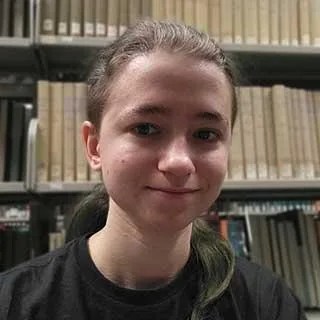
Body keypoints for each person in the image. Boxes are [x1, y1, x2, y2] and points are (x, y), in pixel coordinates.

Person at [0, 20, 306, 320]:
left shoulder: (269, 305)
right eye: (146, 129)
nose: (178, 162)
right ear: (94, 147)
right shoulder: (12, 303)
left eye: (205, 134)